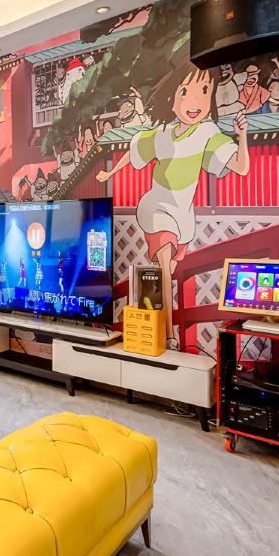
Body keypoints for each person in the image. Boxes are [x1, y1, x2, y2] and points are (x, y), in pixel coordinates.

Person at [96, 61, 250, 348]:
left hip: (183, 215)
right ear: (172, 98)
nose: (195, 102)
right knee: (165, 268)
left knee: (169, 269)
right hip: (155, 207)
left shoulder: (207, 133)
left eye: (204, 92)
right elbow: (134, 152)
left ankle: (153, 328)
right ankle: (169, 335)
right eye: (185, 92)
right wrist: (110, 173)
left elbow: (240, 167)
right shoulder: (162, 134)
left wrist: (241, 137)